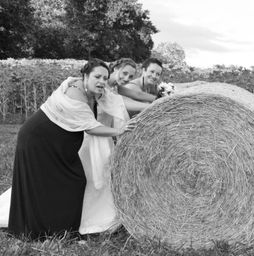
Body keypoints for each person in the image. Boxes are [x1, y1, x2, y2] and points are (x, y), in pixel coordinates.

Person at [6, 58, 136, 240]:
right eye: (97, 76)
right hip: (39, 140)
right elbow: (91, 127)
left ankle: (58, 229)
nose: (102, 81)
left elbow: (115, 100)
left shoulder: (87, 89)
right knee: (63, 182)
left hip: (56, 144)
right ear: (85, 76)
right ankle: (48, 230)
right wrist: (119, 131)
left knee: (59, 183)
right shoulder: (76, 94)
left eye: (105, 78)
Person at [77, 58, 148, 235]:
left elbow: (137, 96)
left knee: (105, 177)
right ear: (114, 69)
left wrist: (159, 100)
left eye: (131, 76)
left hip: (105, 140)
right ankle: (88, 218)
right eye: (124, 73)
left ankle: (104, 216)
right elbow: (125, 103)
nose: (126, 78)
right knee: (91, 177)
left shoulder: (115, 89)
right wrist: (153, 105)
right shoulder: (100, 88)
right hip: (92, 137)